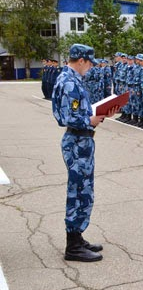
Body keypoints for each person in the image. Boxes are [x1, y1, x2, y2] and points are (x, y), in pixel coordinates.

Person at [52, 44, 118, 262]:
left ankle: (77, 237)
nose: (90, 68)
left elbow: (78, 112)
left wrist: (100, 114)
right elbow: (65, 117)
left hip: (82, 140)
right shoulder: (69, 82)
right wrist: (89, 120)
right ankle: (72, 246)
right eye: (89, 63)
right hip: (77, 141)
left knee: (84, 190)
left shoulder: (72, 79)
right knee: (78, 191)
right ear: (81, 60)